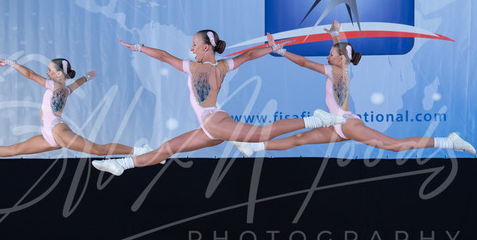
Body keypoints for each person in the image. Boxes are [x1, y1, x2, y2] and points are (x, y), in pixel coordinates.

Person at [91, 29, 347, 176]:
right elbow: (249, 55)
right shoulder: (223, 66)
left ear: (206, 48)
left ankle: (316, 120)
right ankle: (121, 164)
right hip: (210, 125)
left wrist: (138, 47)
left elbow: (163, 56)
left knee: (261, 134)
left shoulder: (193, 67)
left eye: (194, 45)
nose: (191, 49)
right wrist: (272, 48)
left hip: (213, 121)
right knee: (167, 148)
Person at [231, 21, 476, 157]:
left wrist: (280, 50)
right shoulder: (340, 67)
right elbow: (342, 51)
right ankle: (255, 147)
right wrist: (336, 36)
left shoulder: (337, 70)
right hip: (337, 124)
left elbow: (305, 62)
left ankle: (448, 141)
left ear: (340, 59)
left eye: (330, 54)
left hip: (347, 123)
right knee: (299, 139)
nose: (327, 57)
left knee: (394, 145)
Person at [0, 57, 151, 158]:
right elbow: (76, 84)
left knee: (98, 150)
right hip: (48, 133)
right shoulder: (65, 89)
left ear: (59, 74)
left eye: (50, 70)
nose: (47, 72)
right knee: (15, 150)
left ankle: (139, 151)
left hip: (56, 129)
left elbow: (30, 74)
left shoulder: (53, 86)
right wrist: (86, 77)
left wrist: (10, 63)